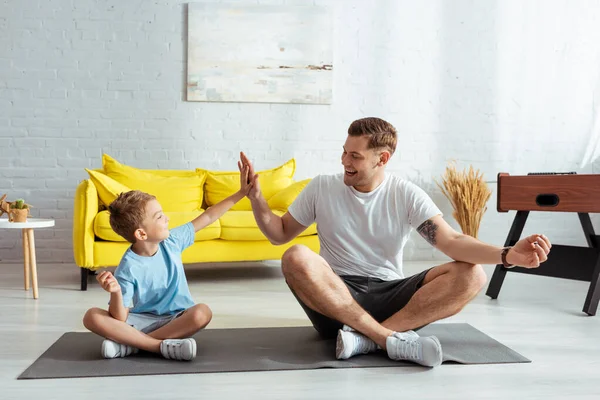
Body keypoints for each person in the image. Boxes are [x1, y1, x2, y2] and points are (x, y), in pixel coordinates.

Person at [239, 117, 551, 368]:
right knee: (295, 255)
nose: (344, 160)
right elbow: (279, 234)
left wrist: (508, 255)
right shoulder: (322, 187)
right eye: (344, 151)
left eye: (355, 156)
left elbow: (452, 241)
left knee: (473, 274)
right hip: (335, 298)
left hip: (390, 295)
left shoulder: (405, 194)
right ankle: (387, 338)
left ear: (382, 158)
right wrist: (256, 198)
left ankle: (365, 340)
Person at [83, 163, 253, 361]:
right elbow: (120, 318)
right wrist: (116, 292)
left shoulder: (172, 241)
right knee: (91, 316)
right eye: (159, 216)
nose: (167, 218)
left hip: (176, 319)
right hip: (140, 321)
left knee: (202, 313)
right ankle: (158, 346)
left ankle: (132, 345)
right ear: (141, 233)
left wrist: (241, 193)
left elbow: (208, 215)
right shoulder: (128, 267)